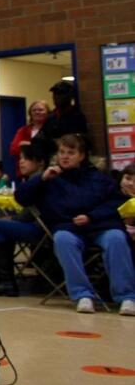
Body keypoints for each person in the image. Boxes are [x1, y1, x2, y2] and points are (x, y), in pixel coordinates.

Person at [14, 134, 134, 315]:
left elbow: (116, 202)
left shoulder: (99, 177)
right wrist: (41, 178)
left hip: (99, 226)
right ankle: (82, 295)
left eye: (71, 152)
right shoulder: (49, 177)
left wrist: (91, 216)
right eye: (62, 152)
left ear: (82, 156)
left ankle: (127, 296)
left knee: (117, 238)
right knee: (62, 240)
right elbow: (21, 198)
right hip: (67, 227)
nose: (65, 156)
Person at [0, 137, 52, 296]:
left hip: (40, 228)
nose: (21, 162)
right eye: (20, 158)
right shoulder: (34, 178)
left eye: (26, 159)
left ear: (40, 162)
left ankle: (5, 280)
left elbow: (28, 215)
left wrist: (10, 220)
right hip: (39, 225)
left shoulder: (39, 179)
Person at [42, 80, 90, 153]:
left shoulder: (77, 116)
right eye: (55, 94)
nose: (56, 97)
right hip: (52, 157)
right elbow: (41, 137)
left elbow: (82, 140)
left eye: (61, 94)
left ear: (70, 96)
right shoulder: (51, 117)